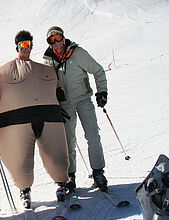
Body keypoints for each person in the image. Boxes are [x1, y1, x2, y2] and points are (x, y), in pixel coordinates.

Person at [0, 30, 70, 208]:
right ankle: (24, 190)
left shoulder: (46, 70)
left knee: (58, 156)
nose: (26, 48)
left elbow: (57, 87)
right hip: (17, 122)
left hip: (48, 118)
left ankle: (61, 184)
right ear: (17, 47)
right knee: (20, 161)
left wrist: (58, 94)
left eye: (29, 45)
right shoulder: (2, 72)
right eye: (23, 45)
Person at [42, 26, 109, 191]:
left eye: (58, 38)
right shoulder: (48, 61)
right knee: (68, 142)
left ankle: (98, 171)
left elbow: (98, 70)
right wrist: (54, 103)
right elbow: (46, 85)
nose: (56, 43)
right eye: (52, 40)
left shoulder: (77, 53)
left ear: (63, 38)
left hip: (83, 100)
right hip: (65, 106)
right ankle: (70, 176)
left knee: (93, 135)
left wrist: (102, 92)